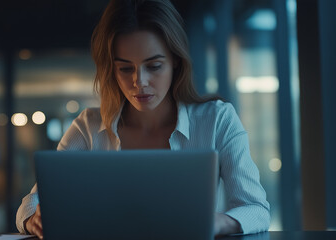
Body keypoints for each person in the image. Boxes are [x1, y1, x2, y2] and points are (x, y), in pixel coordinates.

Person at [16, 0, 270, 238]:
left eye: (154, 66)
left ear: (176, 63)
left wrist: (215, 222)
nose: (140, 82)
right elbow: (30, 205)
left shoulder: (217, 120)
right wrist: (34, 219)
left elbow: (256, 209)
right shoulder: (88, 127)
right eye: (125, 68)